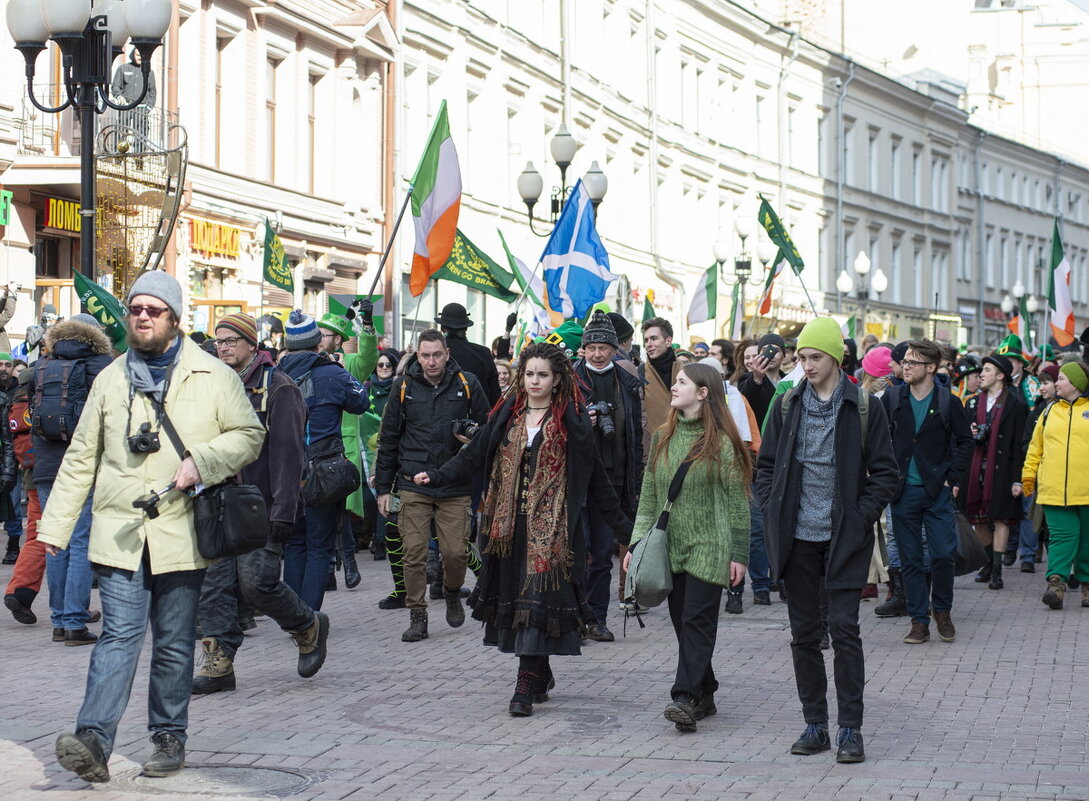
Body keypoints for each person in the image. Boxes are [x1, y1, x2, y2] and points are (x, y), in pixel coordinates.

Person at [39, 271, 264, 783]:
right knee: (117, 635)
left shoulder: (212, 374)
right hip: (120, 531)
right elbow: (81, 456)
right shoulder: (111, 378)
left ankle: (168, 737)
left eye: (153, 310)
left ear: (174, 318)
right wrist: (56, 524)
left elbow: (250, 434)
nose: (142, 316)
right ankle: (93, 739)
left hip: (182, 531)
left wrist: (203, 461)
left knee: (173, 640)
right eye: (135, 308)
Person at [413, 342, 630, 716]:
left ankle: (525, 682)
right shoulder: (508, 415)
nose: (534, 381)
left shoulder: (572, 421)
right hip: (508, 528)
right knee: (522, 605)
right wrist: (436, 475)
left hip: (554, 531)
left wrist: (629, 530)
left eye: (542, 375)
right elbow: (475, 452)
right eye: (529, 374)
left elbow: (596, 481)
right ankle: (540, 669)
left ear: (557, 379)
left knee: (539, 602)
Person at [757, 317, 899, 764]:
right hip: (796, 538)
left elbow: (886, 474)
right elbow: (765, 466)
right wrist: (771, 507)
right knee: (803, 635)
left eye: (814, 356)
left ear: (836, 358)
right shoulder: (787, 403)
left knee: (844, 630)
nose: (806, 364)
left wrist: (859, 519)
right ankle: (814, 723)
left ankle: (850, 729)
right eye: (801, 357)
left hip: (844, 538)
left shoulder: (862, 406)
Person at [192, 313, 330, 695]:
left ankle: (307, 625)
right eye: (219, 341)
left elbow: (288, 456)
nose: (223, 347)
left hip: (258, 506)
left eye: (231, 341)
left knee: (256, 585)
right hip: (213, 504)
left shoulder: (278, 387)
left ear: (253, 344)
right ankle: (218, 664)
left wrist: (284, 511)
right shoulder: (211, 387)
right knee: (214, 586)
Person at [625, 363, 750, 732]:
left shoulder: (724, 444)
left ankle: (684, 696)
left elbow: (737, 502)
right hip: (670, 546)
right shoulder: (663, 436)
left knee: (697, 620)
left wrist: (739, 553)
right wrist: (636, 543)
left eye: (682, 382)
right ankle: (706, 689)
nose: (674, 387)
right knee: (683, 623)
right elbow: (648, 498)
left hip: (711, 545)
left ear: (703, 393)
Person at [375, 329, 489, 642]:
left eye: (436, 354)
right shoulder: (403, 386)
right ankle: (417, 615)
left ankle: (452, 591)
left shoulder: (468, 384)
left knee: (455, 554)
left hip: (455, 483)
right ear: (418, 356)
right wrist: (383, 489)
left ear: (447, 354)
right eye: (425, 355)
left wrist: (474, 435)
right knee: (413, 553)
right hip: (413, 483)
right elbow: (388, 440)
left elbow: (490, 431)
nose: (431, 361)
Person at [28, 315, 115, 645]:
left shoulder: (42, 364)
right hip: (82, 464)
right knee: (80, 540)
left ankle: (59, 620)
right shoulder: (102, 365)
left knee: (54, 539)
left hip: (47, 465)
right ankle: (76, 622)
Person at [881, 340, 973, 646]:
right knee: (910, 559)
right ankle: (918, 620)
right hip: (903, 490)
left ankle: (942, 611)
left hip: (937, 491)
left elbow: (965, 442)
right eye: (904, 361)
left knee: (943, 554)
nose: (904, 366)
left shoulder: (949, 402)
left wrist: (951, 477)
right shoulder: (893, 397)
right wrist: (884, 474)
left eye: (912, 362)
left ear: (931, 368)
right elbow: (878, 439)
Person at [279, 310, 369, 612]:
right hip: (323, 471)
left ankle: (292, 614)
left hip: (285, 473)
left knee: (294, 543)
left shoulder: (274, 374)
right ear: (318, 342)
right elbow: (361, 402)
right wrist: (342, 371)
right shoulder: (331, 373)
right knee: (319, 547)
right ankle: (308, 616)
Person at [572, 311, 645, 642]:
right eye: (592, 348)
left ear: (614, 349)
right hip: (574, 481)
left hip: (613, 481)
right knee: (575, 551)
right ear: (583, 350)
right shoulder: (567, 382)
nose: (598, 353)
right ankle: (574, 615)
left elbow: (637, 437)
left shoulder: (628, 384)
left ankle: (597, 618)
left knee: (602, 553)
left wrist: (637, 482)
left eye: (604, 347)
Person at [315, 305, 379, 589]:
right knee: (322, 508)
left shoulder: (349, 363)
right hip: (314, 446)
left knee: (342, 508)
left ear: (337, 340)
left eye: (324, 334)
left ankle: (349, 560)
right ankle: (328, 566)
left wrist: (367, 325)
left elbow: (368, 357)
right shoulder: (306, 361)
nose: (319, 338)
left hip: (344, 447)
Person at [1022, 362, 1089, 610]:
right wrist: (1028, 476)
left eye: (1061, 379)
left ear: (1076, 383)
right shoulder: (1048, 411)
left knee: (1086, 541)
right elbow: (1035, 447)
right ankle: (1056, 583)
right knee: (1061, 537)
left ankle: (1087, 585)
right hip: (1053, 490)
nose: (1056, 383)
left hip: (1087, 491)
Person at [959, 354, 1027, 590]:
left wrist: (1019, 479)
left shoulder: (1016, 405)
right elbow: (962, 440)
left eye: (987, 370)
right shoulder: (970, 403)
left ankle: (997, 570)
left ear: (1000, 375)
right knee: (978, 519)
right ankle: (988, 561)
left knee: (1000, 518)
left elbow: (1020, 445)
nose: (981, 374)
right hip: (975, 468)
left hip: (1003, 470)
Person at [436, 303, 501, 405]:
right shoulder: (483, 353)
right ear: (466, 328)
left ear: (442, 328)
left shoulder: (431, 356)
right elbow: (495, 396)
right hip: (479, 417)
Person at [640, 317, 682, 434]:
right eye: (646, 340)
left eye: (654, 338)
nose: (649, 344)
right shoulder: (640, 372)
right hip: (653, 445)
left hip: (684, 444)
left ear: (668, 341)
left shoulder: (686, 370)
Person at [738, 333, 787, 426]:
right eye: (765, 350)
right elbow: (745, 403)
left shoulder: (788, 380)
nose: (771, 354)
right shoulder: (748, 378)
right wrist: (757, 378)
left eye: (776, 350)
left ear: (783, 357)